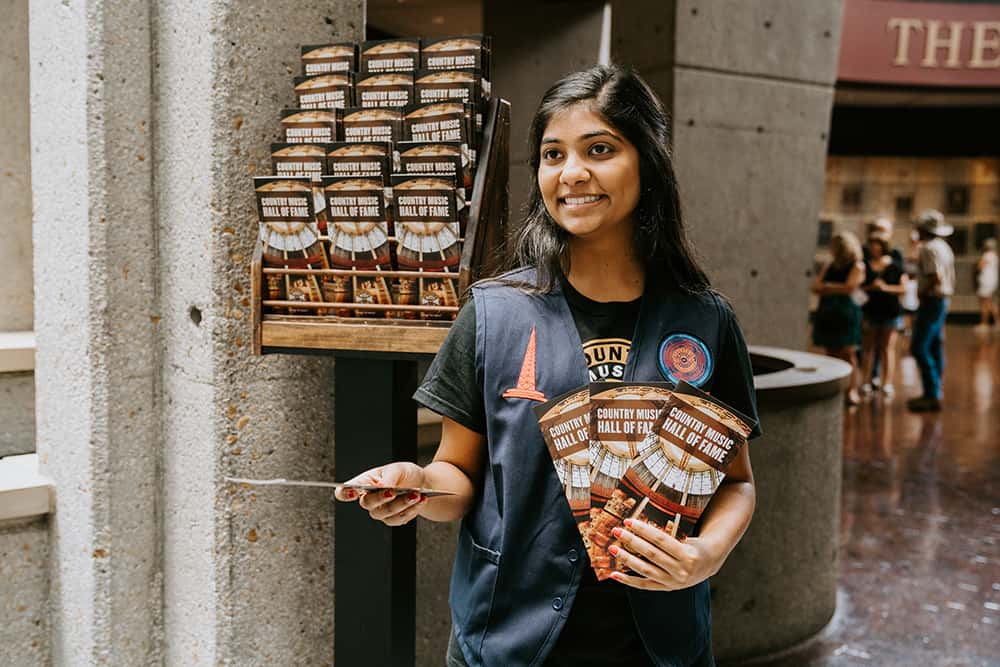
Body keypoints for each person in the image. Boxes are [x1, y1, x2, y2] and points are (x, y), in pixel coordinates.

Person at [335, 65, 761, 667]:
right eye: (552, 154)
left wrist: (706, 555)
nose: (572, 173)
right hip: (507, 639)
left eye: (600, 149)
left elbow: (737, 482)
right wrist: (419, 486)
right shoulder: (492, 313)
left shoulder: (705, 320)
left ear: (649, 161)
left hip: (656, 645)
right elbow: (457, 477)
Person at [907, 209, 955, 412]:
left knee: (919, 347)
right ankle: (935, 390)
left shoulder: (928, 248)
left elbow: (935, 277)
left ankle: (932, 393)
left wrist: (922, 293)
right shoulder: (943, 246)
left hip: (932, 301)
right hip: (942, 301)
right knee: (934, 346)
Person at [812, 231, 866, 405]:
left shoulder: (857, 265)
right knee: (831, 353)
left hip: (846, 312)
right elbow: (816, 287)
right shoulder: (830, 265)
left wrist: (828, 286)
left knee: (848, 352)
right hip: (829, 312)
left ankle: (852, 389)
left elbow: (850, 287)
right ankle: (837, 390)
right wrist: (835, 287)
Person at [859, 232, 908, 398]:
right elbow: (857, 287)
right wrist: (872, 287)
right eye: (872, 244)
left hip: (890, 311)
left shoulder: (895, 265)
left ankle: (887, 383)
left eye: (877, 244)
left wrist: (885, 288)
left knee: (887, 349)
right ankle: (865, 381)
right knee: (868, 348)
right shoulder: (864, 265)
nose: (874, 247)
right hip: (871, 310)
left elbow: (903, 288)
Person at [975, 238, 998, 331]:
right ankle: (998, 322)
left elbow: (979, 267)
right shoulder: (995, 255)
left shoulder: (987, 255)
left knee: (984, 303)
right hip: (991, 281)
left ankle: (984, 324)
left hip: (986, 281)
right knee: (990, 302)